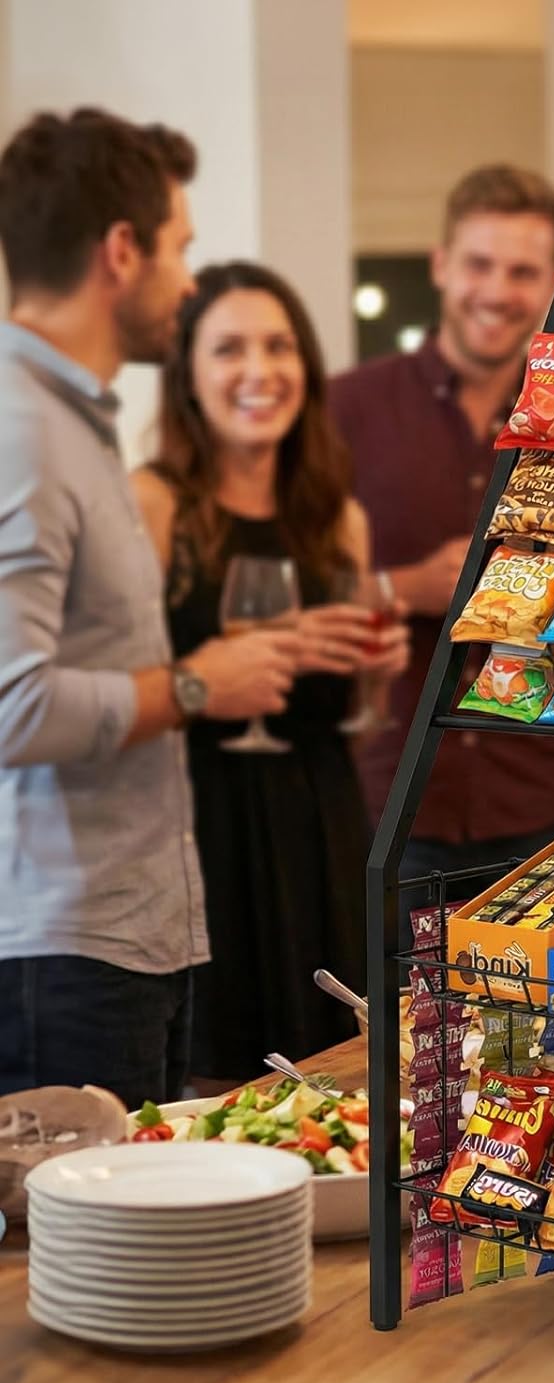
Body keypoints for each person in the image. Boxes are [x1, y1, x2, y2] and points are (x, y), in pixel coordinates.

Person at [0, 110, 297, 1107]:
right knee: (72, 1266)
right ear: (119, 251)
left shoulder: (75, 424)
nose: (186, 279)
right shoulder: (24, 432)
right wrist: (200, 682)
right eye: (178, 248)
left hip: (130, 938)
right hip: (63, 953)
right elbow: (12, 705)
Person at [132, 262, 409, 1085]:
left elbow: (349, 714)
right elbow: (130, 685)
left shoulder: (337, 519)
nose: (259, 370)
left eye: (279, 345)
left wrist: (372, 672)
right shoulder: (154, 505)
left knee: (339, 1079)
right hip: (201, 825)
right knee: (218, 1085)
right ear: (189, 376)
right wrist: (233, 661)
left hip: (318, 824)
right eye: (229, 350)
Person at [330, 166, 554, 922]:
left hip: (529, 801)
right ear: (440, 265)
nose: (497, 291)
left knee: (528, 1037)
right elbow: (281, 596)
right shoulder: (347, 409)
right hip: (389, 804)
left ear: (552, 283)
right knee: (381, 1035)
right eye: (479, 264)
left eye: (523, 271)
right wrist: (402, 589)